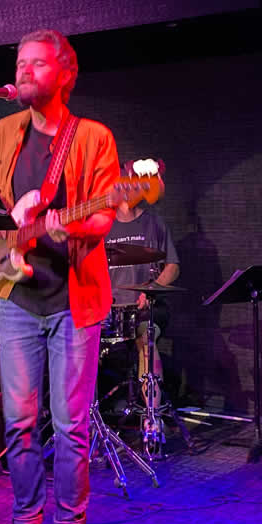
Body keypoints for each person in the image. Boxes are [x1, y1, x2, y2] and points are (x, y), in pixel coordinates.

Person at [0, 28, 119, 524]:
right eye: (21, 62)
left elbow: (106, 214)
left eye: (38, 63)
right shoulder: (4, 131)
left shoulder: (92, 137)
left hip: (72, 299)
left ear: (65, 74)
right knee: (18, 422)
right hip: (16, 293)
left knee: (70, 426)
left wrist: (65, 225)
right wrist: (11, 220)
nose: (24, 70)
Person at [104, 158, 179, 410]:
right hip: (109, 311)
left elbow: (173, 266)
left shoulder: (154, 223)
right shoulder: (101, 225)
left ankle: (151, 417)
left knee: (146, 338)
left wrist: (151, 290)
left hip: (146, 308)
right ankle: (90, 419)